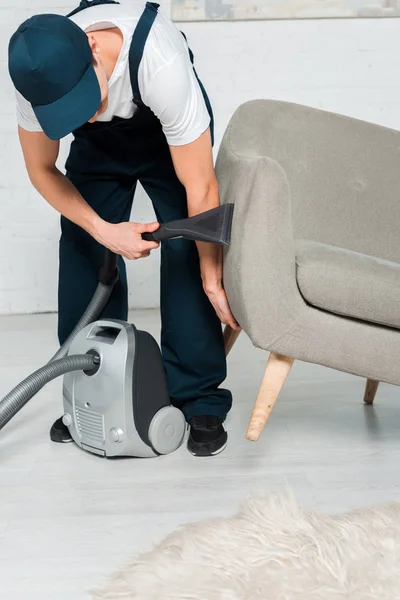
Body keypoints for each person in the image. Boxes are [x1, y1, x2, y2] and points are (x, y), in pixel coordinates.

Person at [7, 0, 240, 457]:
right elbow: (41, 170)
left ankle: (198, 399)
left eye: (83, 101)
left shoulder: (160, 61)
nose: (85, 116)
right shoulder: (35, 79)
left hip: (160, 131)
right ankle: (90, 389)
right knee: (81, 247)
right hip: (100, 151)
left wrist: (213, 277)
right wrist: (102, 230)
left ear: (93, 48)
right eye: (67, 114)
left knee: (186, 243)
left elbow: (201, 186)